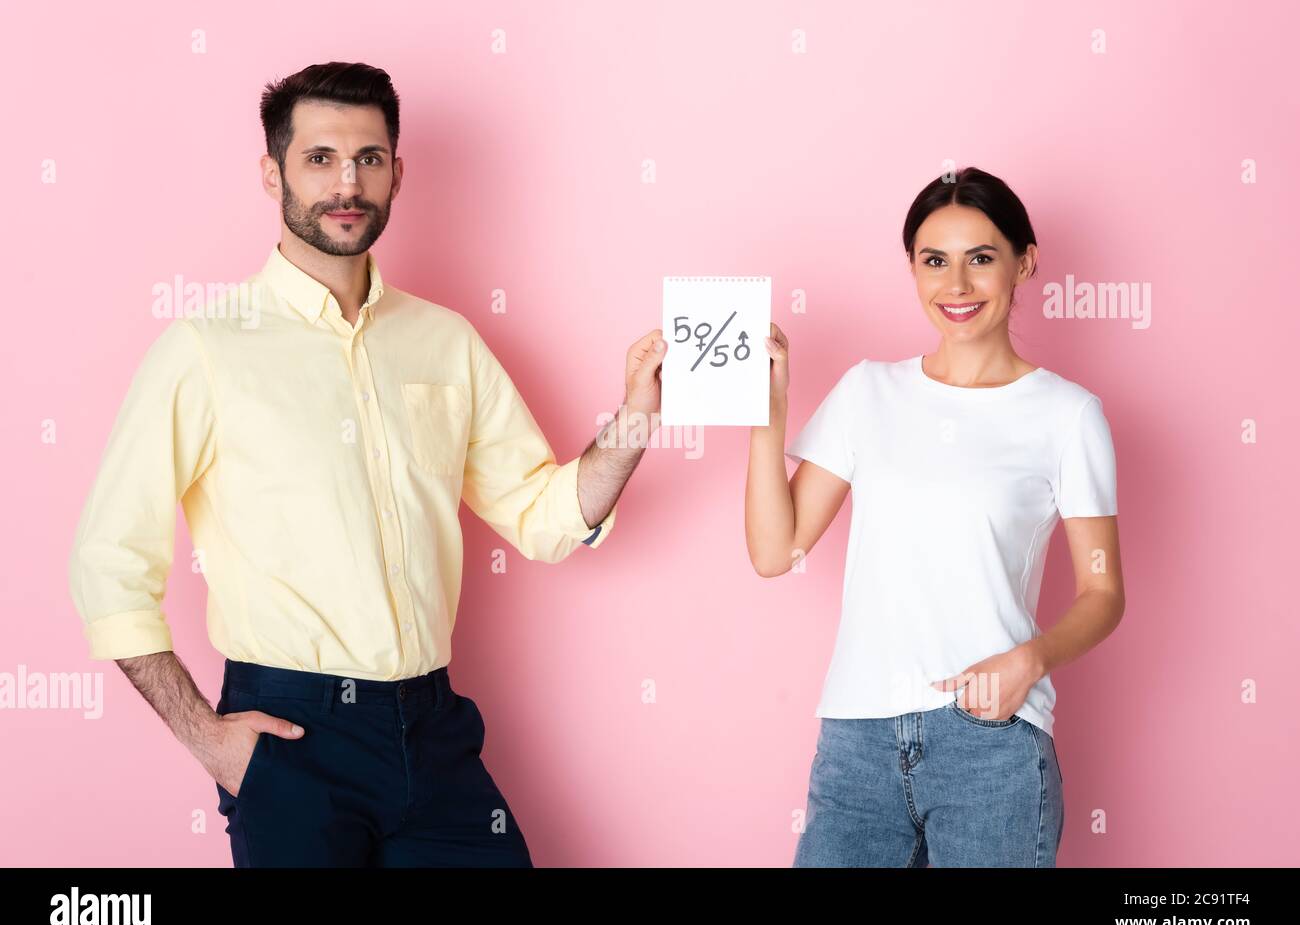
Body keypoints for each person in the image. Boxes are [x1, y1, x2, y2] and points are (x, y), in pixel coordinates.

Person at [67, 61, 665, 867]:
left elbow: (543, 517)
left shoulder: (445, 341)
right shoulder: (206, 349)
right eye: (319, 158)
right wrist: (208, 740)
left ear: (397, 172)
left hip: (434, 727)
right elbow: (108, 565)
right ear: (272, 172)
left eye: (369, 159)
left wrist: (634, 418)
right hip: (291, 737)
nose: (347, 182)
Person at [745, 167, 1125, 867]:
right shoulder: (868, 392)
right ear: (913, 270)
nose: (956, 285)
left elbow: (1104, 594)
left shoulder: (1068, 416)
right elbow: (775, 550)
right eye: (934, 261)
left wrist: (1030, 658)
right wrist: (767, 421)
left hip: (991, 740)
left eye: (981, 258)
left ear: (1025, 262)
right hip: (856, 740)